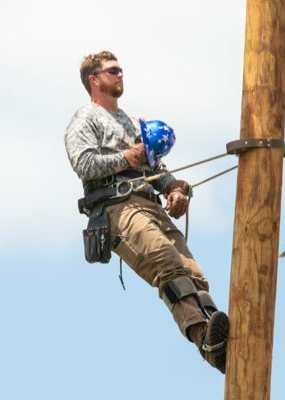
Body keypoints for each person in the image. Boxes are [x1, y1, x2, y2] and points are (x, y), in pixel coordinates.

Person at [64, 50, 229, 373]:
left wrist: (173, 188)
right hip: (117, 207)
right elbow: (83, 164)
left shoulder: (129, 120)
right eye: (112, 71)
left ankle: (216, 335)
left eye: (121, 69)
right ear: (94, 80)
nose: (120, 74)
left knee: (194, 273)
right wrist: (127, 158)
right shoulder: (85, 119)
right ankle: (204, 340)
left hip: (148, 205)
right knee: (168, 266)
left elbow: (155, 166)